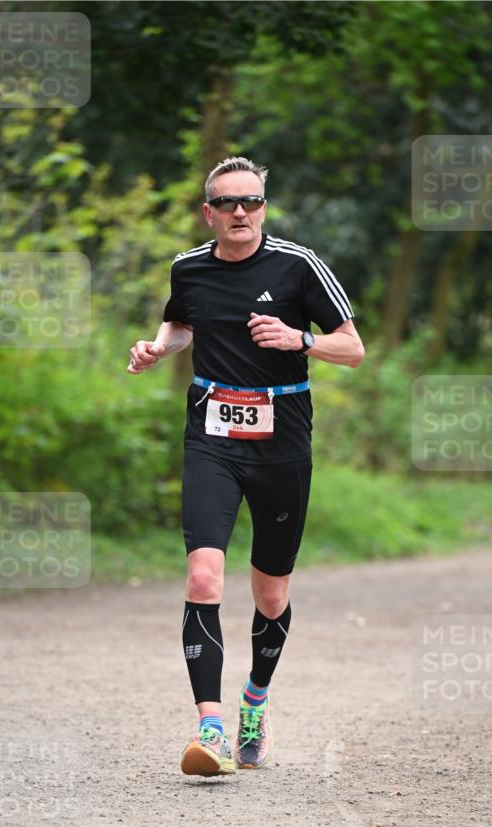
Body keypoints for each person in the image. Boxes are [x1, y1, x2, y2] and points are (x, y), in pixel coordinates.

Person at [127, 156, 364, 777]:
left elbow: (354, 349)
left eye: (251, 202)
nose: (240, 213)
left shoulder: (298, 266)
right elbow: (181, 322)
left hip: (282, 441)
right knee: (204, 578)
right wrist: (158, 347)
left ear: (264, 207)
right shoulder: (189, 268)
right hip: (211, 436)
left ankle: (254, 701)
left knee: (271, 592)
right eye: (228, 203)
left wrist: (300, 340)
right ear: (208, 212)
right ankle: (211, 729)